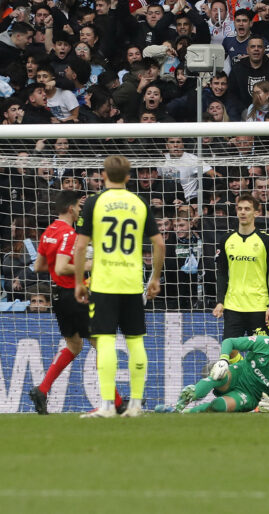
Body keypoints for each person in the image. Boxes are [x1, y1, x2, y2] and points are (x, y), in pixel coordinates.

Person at [73, 155, 165, 418]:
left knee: (105, 341)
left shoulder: (94, 202)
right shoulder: (139, 202)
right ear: (128, 176)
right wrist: (155, 278)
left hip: (104, 282)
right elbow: (159, 244)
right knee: (136, 341)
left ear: (103, 175)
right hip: (132, 282)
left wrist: (80, 281)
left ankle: (107, 406)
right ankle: (135, 405)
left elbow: (80, 247)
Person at [29, 190, 128, 414]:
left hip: (58, 296)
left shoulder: (49, 232)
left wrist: (62, 268)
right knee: (101, 344)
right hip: (75, 295)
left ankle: (43, 389)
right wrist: (91, 265)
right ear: (71, 208)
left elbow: (39, 267)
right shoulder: (67, 234)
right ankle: (116, 403)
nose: (80, 211)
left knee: (75, 345)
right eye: (79, 207)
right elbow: (63, 266)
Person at [156, 334, 269, 413]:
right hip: (238, 373)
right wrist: (224, 360)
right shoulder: (266, 343)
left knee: (219, 406)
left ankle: (185, 415)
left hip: (250, 396)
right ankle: (178, 407)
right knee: (219, 373)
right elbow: (230, 342)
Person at [213, 193, 269, 362]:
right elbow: (221, 273)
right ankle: (243, 373)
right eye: (240, 208)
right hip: (233, 306)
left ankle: (261, 387)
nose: (243, 212)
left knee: (263, 355)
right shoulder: (227, 239)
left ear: (256, 213)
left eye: (247, 209)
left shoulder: (267, 241)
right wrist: (220, 301)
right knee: (229, 351)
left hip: (259, 307)